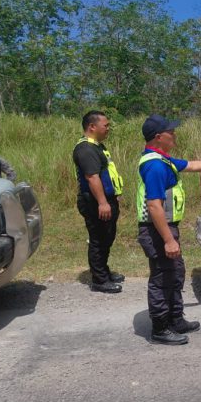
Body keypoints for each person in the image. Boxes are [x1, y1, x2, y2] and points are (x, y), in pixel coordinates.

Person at [136, 114, 201, 345]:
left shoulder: (164, 160)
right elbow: (154, 206)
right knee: (162, 278)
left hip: (165, 228)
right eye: (170, 132)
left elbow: (192, 165)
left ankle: (175, 319)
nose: (174, 134)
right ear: (157, 137)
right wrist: (168, 240)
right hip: (157, 230)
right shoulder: (154, 166)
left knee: (175, 273)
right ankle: (161, 328)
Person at [72, 111, 124, 293]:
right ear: (92, 126)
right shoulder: (86, 149)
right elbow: (92, 177)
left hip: (105, 200)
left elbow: (105, 174)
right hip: (94, 202)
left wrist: (113, 196)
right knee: (98, 239)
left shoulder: (97, 146)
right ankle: (99, 280)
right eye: (106, 125)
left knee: (107, 237)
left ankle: (103, 271)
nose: (108, 128)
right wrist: (103, 202)